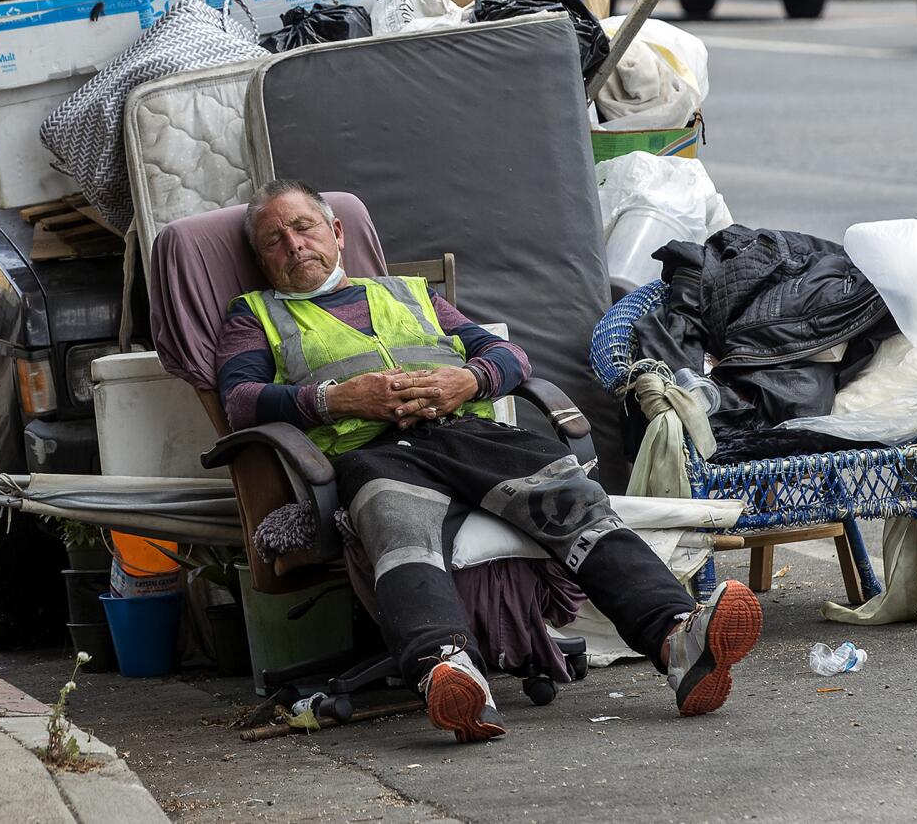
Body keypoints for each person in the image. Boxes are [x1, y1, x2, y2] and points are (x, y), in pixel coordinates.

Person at [214, 180, 762, 742]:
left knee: (572, 499)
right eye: (274, 240)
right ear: (262, 260)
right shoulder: (253, 317)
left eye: (302, 227)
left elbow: (508, 356)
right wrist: (335, 399)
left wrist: (468, 378)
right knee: (396, 524)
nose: (293, 245)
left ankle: (676, 637)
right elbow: (240, 401)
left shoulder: (410, 294)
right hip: (370, 452)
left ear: (335, 232)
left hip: (469, 434)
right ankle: (446, 668)